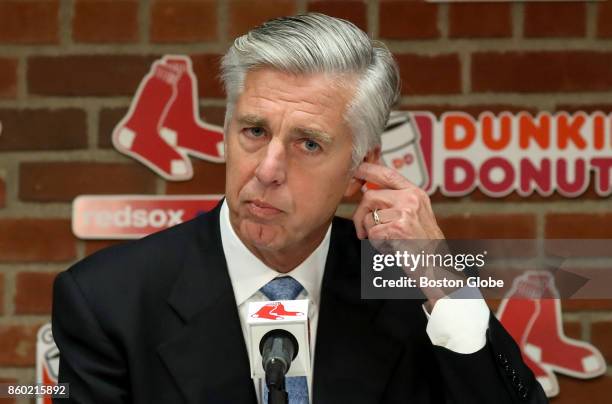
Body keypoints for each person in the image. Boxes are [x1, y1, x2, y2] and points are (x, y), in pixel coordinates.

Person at [52, 13, 547, 404]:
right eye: (254, 131)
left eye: (308, 143)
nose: (268, 169)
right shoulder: (108, 300)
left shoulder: (409, 291)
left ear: (362, 165)